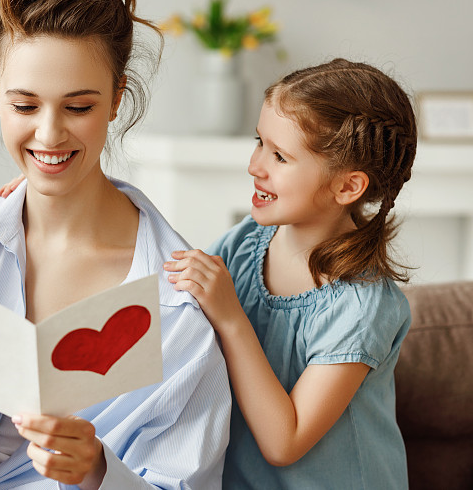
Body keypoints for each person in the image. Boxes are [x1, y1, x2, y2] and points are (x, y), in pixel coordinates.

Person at [0, 0, 231, 488]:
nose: (49, 135)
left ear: (117, 99)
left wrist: (99, 471)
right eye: (25, 106)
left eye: (79, 107)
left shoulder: (178, 309)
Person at [165, 58, 417, 489]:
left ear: (347, 187)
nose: (255, 165)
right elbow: (170, 285)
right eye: (259, 142)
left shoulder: (363, 307)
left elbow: (286, 442)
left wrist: (230, 318)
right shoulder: (245, 243)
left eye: (280, 155)